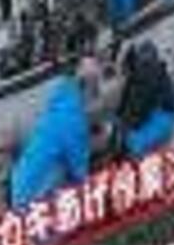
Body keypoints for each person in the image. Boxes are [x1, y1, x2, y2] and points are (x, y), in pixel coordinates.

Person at [8, 47, 104, 210]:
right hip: (33, 198)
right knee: (74, 179)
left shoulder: (60, 102)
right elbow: (80, 171)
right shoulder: (73, 120)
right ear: (86, 88)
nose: (92, 99)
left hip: (19, 186)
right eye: (94, 90)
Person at [111, 29, 174, 161]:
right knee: (124, 135)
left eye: (123, 67)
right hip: (154, 114)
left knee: (133, 145)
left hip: (161, 116)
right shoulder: (136, 74)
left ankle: (138, 166)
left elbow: (140, 103)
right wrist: (119, 117)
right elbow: (127, 98)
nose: (123, 72)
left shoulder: (145, 71)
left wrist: (127, 123)